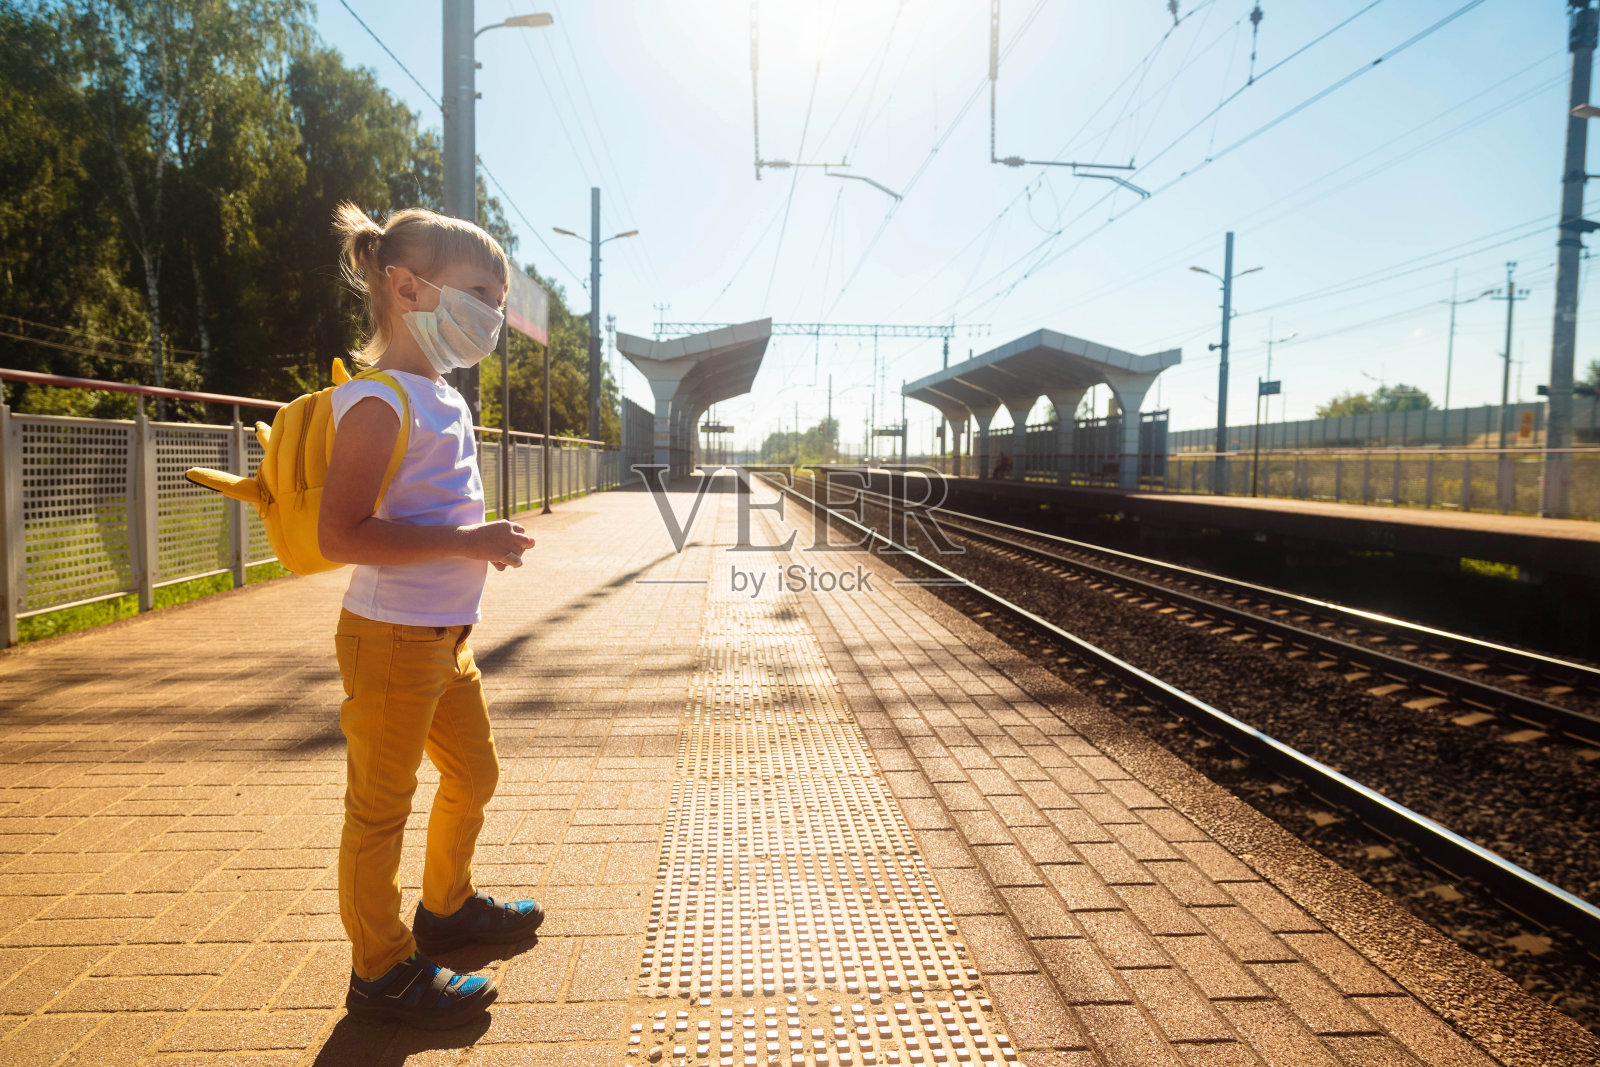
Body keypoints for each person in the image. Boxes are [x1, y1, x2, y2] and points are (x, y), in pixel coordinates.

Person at [320, 202, 541, 1030]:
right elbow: (341, 533)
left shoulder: (443, 396)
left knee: (474, 773)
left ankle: (446, 908)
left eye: (499, 301)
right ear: (407, 287)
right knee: (379, 811)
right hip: (389, 639)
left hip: (447, 640)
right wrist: (469, 541)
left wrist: (475, 547)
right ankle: (380, 971)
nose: (493, 316)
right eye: (480, 293)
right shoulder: (378, 401)